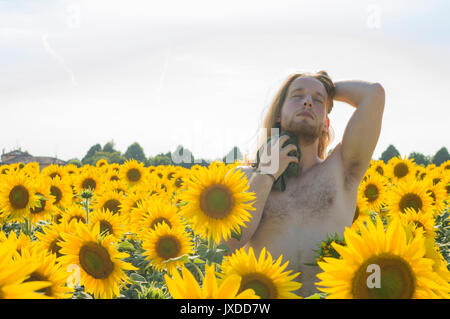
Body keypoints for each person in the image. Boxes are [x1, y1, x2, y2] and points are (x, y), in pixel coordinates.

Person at [225, 71, 386, 297]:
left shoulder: (342, 169)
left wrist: (328, 88)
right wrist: (266, 175)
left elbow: (374, 94)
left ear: (326, 123)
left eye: (317, 100)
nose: (308, 101)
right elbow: (226, 246)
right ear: (279, 115)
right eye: (297, 96)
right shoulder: (244, 178)